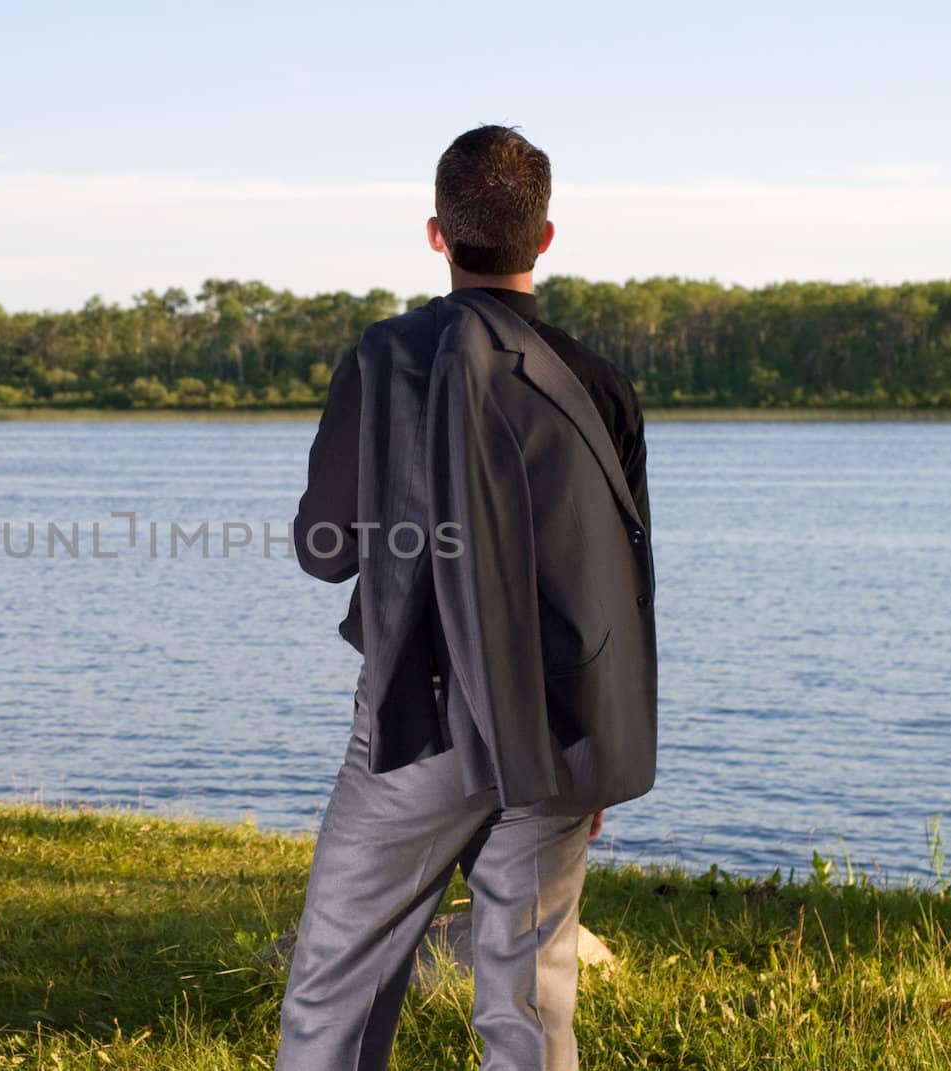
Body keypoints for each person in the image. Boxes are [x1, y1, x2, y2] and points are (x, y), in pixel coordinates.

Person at [275, 125, 657, 1071]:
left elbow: (325, 552)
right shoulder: (600, 387)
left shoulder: (387, 359)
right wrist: (600, 751)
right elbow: (631, 576)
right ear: (546, 238)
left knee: (337, 989)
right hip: (565, 727)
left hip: (421, 719)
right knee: (529, 1007)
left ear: (438, 235)